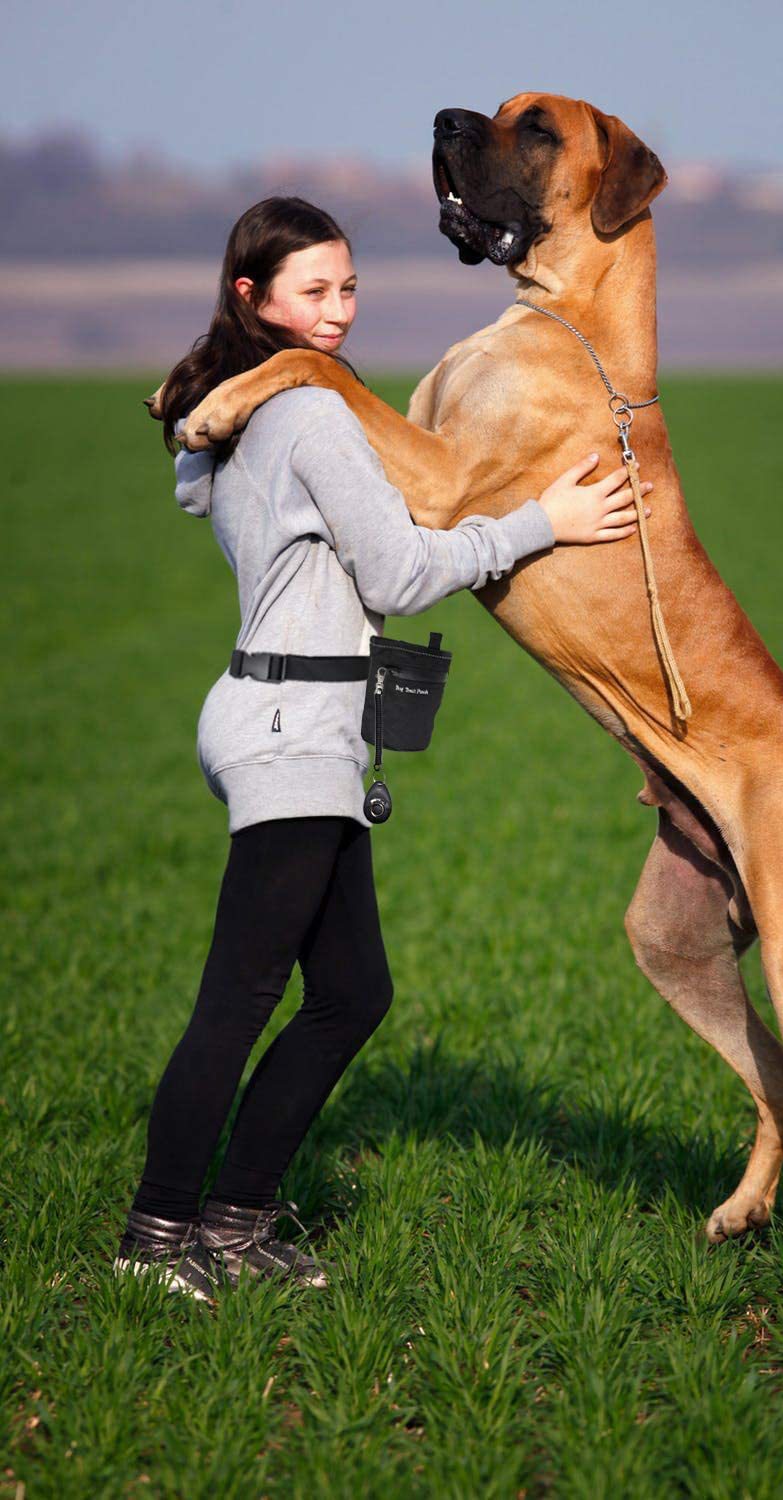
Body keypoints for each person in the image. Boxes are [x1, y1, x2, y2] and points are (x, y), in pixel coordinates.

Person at [114, 196, 653, 1301]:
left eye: (348, 287)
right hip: (291, 727)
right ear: (251, 298)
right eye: (313, 291)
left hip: (294, 717)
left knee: (353, 992)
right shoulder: (310, 418)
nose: (339, 313)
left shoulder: (238, 414)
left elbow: (201, 470)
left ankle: (236, 1219)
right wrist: (544, 522)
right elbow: (400, 574)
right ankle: (153, 1240)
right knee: (241, 997)